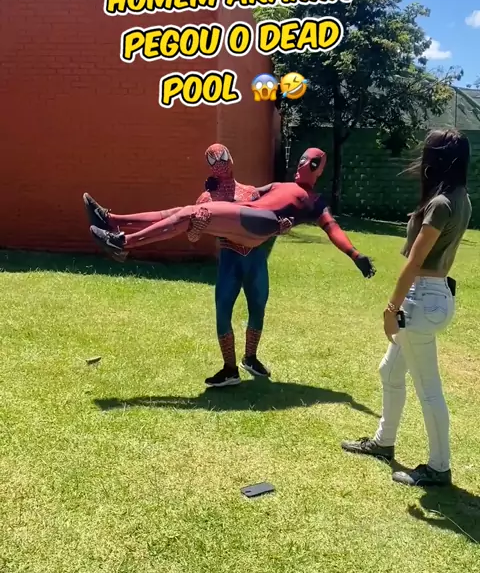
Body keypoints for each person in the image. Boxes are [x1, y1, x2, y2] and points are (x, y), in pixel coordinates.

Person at [342, 129, 472, 487]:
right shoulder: (460, 197)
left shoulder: (441, 204)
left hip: (422, 298)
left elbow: (414, 262)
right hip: (433, 296)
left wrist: (391, 309)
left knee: (429, 389)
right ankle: (384, 442)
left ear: (437, 159)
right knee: (390, 371)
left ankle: (439, 467)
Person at [84, 149, 376, 284]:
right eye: (303, 159)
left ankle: (123, 243)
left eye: (313, 163)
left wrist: (355, 254)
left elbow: (332, 229)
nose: (305, 165)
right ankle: (112, 219)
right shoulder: (278, 185)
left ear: (320, 169)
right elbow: (244, 194)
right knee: (182, 213)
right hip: (248, 217)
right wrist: (218, 186)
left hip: (263, 223)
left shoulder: (315, 202)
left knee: (191, 213)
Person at [195, 143, 274, 388]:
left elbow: (267, 224)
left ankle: (250, 357)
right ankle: (230, 368)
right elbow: (193, 235)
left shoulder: (251, 193)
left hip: (255, 259)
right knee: (223, 311)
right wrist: (199, 224)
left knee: (258, 306)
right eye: (214, 161)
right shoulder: (207, 199)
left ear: (231, 158)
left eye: (223, 158)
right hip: (230, 259)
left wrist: (278, 226)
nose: (220, 164)